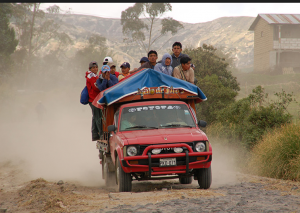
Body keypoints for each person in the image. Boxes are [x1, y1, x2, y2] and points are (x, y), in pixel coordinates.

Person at [85, 61, 102, 141]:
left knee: (95, 117)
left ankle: (95, 134)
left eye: (96, 67)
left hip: (94, 99)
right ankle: (101, 133)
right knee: (98, 117)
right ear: (90, 69)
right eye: (93, 67)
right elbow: (96, 87)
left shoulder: (94, 75)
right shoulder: (91, 76)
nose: (95, 69)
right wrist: (102, 86)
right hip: (93, 99)